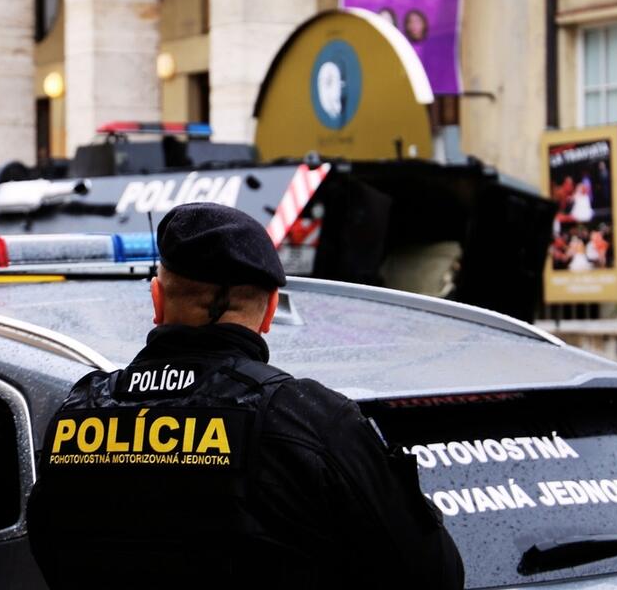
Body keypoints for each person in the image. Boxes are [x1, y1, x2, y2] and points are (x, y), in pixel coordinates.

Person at [26, 202, 464, 589]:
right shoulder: (311, 422)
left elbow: (46, 544)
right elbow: (432, 573)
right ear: (271, 310)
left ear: (158, 301)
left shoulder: (78, 414)